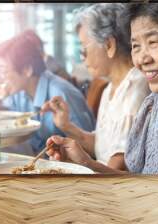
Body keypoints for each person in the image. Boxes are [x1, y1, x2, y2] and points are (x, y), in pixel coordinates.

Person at [46, 3, 158, 175]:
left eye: (153, 42)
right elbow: (137, 179)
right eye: (136, 46)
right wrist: (83, 160)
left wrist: (86, 165)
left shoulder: (139, 89)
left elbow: (123, 168)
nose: (141, 60)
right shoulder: (152, 104)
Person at [41, 3, 149, 170]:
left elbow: (118, 169)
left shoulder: (136, 87)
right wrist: (66, 126)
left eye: (83, 50)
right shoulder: (110, 89)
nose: (82, 58)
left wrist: (83, 164)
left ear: (109, 45)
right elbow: (103, 146)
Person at [0, 31, 95, 154]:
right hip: (37, 156)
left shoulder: (62, 94)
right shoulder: (20, 91)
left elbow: (88, 148)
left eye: (5, 72)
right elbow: (9, 118)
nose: (1, 79)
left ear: (27, 70)